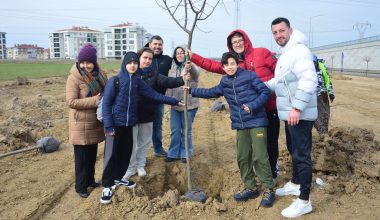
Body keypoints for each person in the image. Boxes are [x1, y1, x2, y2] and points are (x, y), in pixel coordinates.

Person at [187, 29, 280, 179]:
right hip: (250, 113)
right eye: (234, 42)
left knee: (271, 141)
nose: (237, 44)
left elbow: (280, 69)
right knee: (255, 145)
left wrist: (274, 86)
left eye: (239, 41)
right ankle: (259, 174)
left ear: (246, 40)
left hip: (270, 105)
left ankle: (273, 171)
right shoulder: (234, 65)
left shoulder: (261, 53)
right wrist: (194, 58)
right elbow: (212, 66)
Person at [187, 52, 276, 208]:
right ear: (223, 67)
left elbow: (265, 92)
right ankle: (251, 187)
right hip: (241, 124)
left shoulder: (249, 76)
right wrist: (191, 90)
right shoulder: (225, 82)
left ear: (237, 64)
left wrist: (253, 106)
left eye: (232, 63)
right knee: (243, 157)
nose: (230, 67)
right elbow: (210, 92)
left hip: (256, 121)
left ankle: (269, 188)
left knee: (260, 156)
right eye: (227, 65)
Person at [100, 51, 182, 204]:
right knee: (111, 155)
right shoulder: (115, 80)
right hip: (115, 125)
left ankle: (118, 178)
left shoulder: (137, 81)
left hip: (129, 124)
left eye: (135, 63)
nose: (132, 65)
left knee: (125, 154)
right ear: (125, 64)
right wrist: (108, 125)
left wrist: (174, 101)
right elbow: (106, 104)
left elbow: (154, 94)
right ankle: (107, 186)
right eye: (130, 62)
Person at [267, 17, 317, 218]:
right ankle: (296, 184)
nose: (279, 35)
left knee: (301, 155)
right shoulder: (286, 53)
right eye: (275, 32)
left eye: (282, 31)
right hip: (291, 114)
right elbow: (280, 82)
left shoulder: (299, 51)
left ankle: (304, 200)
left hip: (299, 114)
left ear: (290, 30)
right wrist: (259, 86)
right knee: (293, 149)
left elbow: (309, 79)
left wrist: (297, 107)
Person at [123, 47, 189, 179]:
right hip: (131, 115)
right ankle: (130, 168)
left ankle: (140, 164)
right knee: (131, 143)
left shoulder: (154, 74)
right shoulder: (130, 74)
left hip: (147, 113)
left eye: (150, 59)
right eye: (145, 58)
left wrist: (182, 79)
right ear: (138, 58)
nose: (147, 61)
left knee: (144, 141)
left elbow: (167, 81)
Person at [66, 44, 107, 198]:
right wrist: (94, 101)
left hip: (94, 122)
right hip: (80, 124)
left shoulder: (100, 74)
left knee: (91, 155)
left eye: (89, 62)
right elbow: (71, 102)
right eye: (82, 62)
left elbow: (107, 91)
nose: (85, 65)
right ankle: (80, 187)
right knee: (81, 159)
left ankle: (90, 181)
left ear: (94, 62)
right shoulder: (74, 78)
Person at [165, 46, 200, 163]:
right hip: (175, 104)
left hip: (189, 105)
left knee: (186, 130)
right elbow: (170, 84)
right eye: (177, 53)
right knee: (175, 130)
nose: (179, 55)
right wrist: (169, 100)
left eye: (182, 53)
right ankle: (173, 152)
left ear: (186, 54)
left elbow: (196, 75)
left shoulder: (191, 66)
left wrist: (189, 67)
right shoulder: (172, 68)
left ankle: (186, 153)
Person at [146, 35, 173, 157]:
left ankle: (158, 148)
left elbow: (178, 66)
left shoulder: (167, 60)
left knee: (157, 125)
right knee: (143, 127)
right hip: (143, 99)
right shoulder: (144, 57)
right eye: (155, 44)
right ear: (150, 44)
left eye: (160, 44)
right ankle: (142, 154)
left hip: (159, 98)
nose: (157, 46)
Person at [313, 56, 335, 134]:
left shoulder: (322, 67)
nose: (313, 65)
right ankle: (321, 133)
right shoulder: (306, 68)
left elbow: (327, 80)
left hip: (322, 95)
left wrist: (331, 93)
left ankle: (323, 133)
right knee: (315, 116)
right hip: (311, 96)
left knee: (325, 114)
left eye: (314, 63)